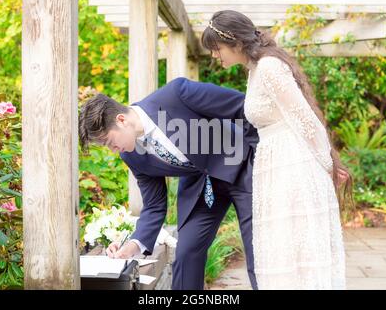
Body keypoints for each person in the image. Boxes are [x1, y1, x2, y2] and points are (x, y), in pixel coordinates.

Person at [201, 10, 353, 289]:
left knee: (294, 250)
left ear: (234, 42)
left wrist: (329, 165)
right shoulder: (256, 69)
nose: (214, 55)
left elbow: (306, 120)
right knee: (280, 249)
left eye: (216, 48)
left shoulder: (269, 67)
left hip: (293, 166)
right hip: (275, 165)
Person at [78, 78, 259, 290]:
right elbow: (154, 205)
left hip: (241, 166)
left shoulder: (177, 94)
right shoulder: (132, 156)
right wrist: (133, 245)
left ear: (121, 120)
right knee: (186, 252)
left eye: (109, 142)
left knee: (257, 249)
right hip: (201, 186)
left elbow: (241, 106)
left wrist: (261, 153)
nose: (113, 150)